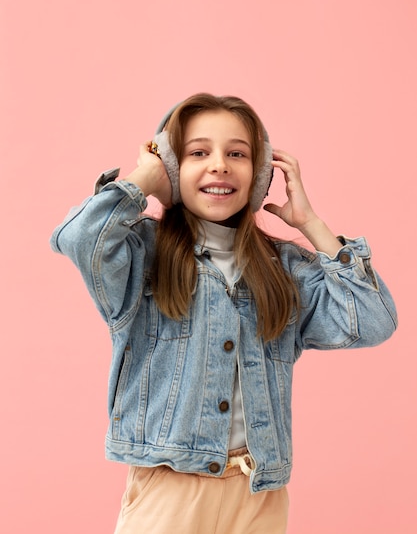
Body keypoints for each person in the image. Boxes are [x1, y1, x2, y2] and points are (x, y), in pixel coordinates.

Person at [50, 93, 397, 534]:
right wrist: (148, 176)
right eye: (197, 153)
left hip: (260, 492)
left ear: (261, 173)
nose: (219, 165)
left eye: (238, 153)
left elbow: (372, 320)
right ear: (173, 168)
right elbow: (80, 237)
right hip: (172, 489)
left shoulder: (283, 269)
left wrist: (310, 224)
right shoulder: (142, 253)